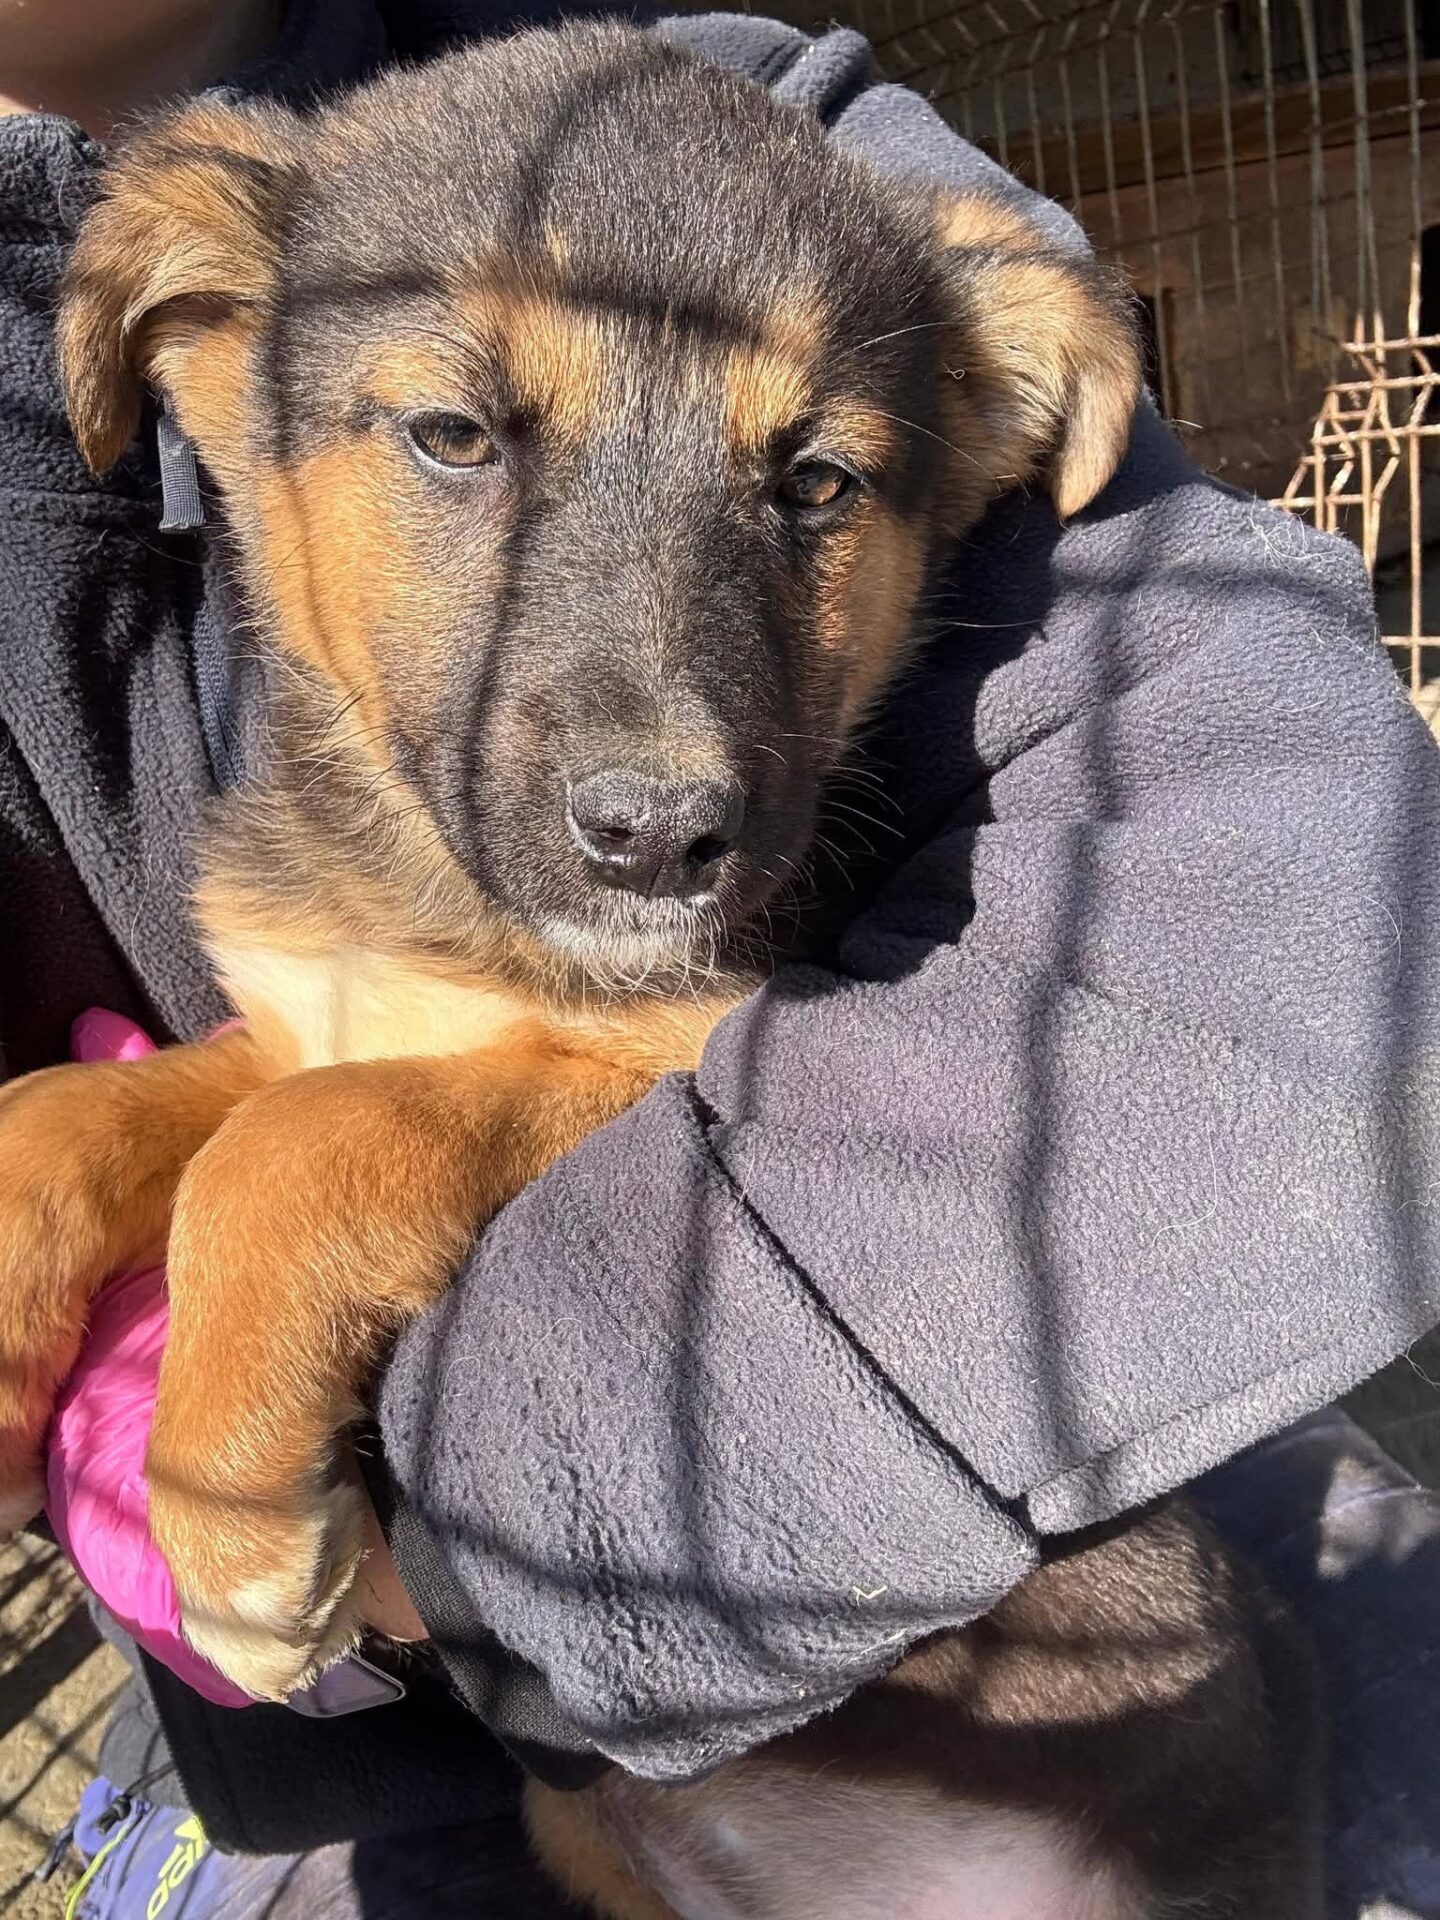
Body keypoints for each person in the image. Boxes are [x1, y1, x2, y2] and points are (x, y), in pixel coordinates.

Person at [4, 0, 1440, 1914]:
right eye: (457, 435)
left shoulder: (794, 152)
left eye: (813, 484)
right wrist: (80, 1169)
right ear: (206, 349)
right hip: (553, 1804)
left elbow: (1307, 931)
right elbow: (333, 1055)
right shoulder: (282, 263)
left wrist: (329, 1248)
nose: (671, 753)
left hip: (1099, 1807)